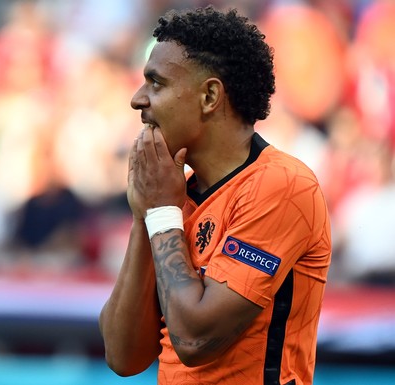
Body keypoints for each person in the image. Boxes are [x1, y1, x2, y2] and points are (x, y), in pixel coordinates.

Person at [98, 6, 332, 385]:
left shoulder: (283, 186)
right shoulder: (173, 196)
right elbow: (123, 355)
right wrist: (146, 215)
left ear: (209, 96)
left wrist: (159, 212)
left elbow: (195, 338)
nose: (138, 100)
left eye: (156, 83)